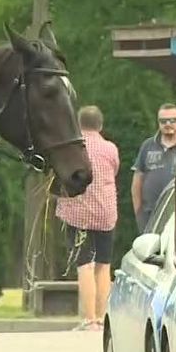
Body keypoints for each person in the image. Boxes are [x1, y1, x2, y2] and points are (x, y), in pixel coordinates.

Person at [55, 106, 120, 331]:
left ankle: (89, 318)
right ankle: (102, 318)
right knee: (104, 264)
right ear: (100, 125)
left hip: (78, 213)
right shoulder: (110, 148)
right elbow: (115, 171)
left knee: (84, 265)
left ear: (77, 124)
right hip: (105, 213)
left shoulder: (71, 148)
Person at [131, 103, 176, 230]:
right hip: (150, 215)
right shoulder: (148, 145)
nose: (168, 124)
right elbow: (137, 180)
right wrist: (138, 212)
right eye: (163, 121)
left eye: (172, 120)